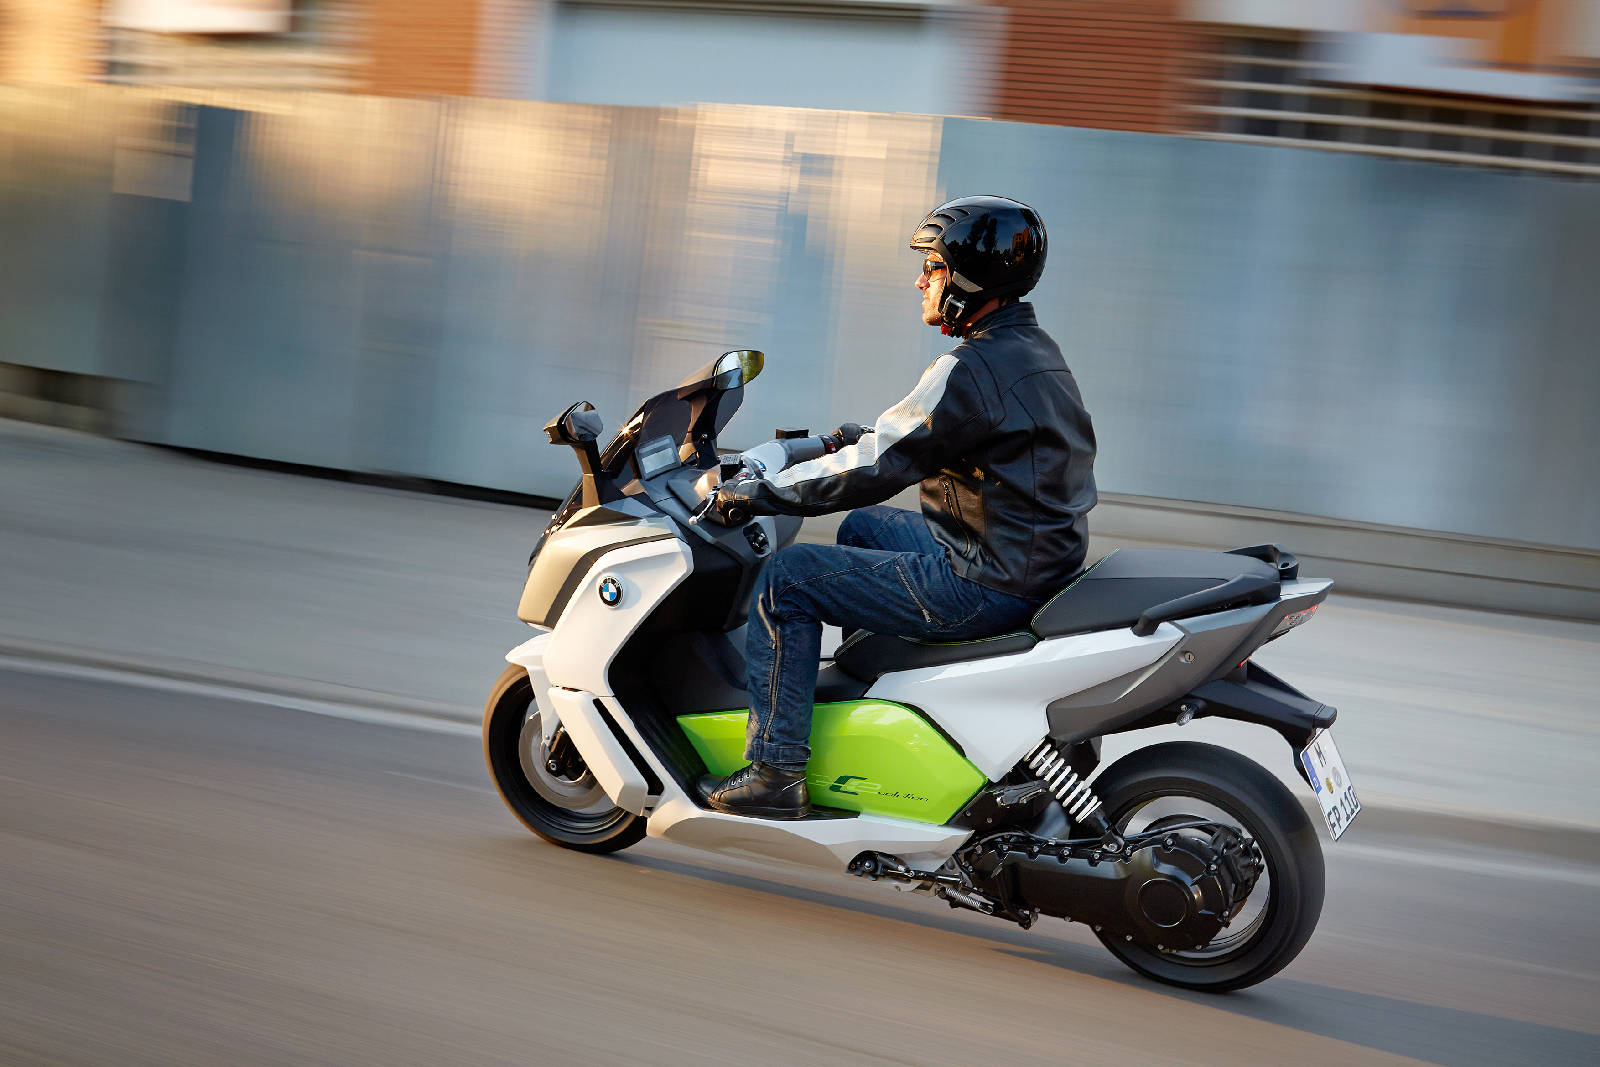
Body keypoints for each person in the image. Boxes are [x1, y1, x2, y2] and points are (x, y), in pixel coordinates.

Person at [701, 194, 1098, 819]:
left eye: (932, 267)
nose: (920, 281)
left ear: (970, 278)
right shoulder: (1032, 351)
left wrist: (754, 494)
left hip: (983, 582)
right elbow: (928, 438)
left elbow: (877, 468)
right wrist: (853, 439)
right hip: (1028, 561)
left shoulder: (970, 367)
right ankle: (889, 696)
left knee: (787, 580)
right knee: (864, 529)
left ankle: (775, 770)